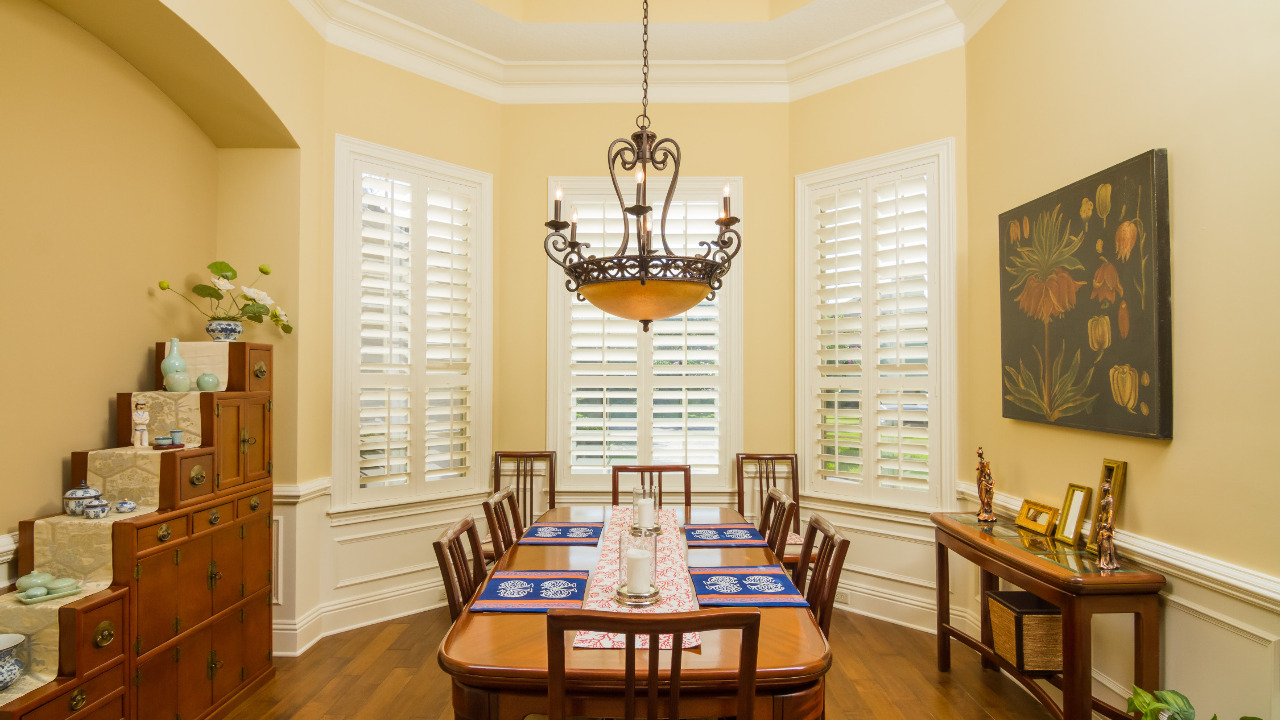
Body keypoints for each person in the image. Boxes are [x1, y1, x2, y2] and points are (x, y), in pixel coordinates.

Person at [1096, 472, 1119, 570]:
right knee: (1100, 543)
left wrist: (1108, 523)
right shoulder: (1105, 499)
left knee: (1105, 545)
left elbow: (1110, 512)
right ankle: (1101, 561)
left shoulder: (1109, 500)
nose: (1102, 490)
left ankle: (1106, 562)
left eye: (1103, 488)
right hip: (1102, 521)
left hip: (1106, 524)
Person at [976, 447, 997, 522]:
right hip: (986, 492)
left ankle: (987, 514)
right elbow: (977, 468)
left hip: (989, 494)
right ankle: (984, 512)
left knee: (987, 503)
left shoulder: (990, 480)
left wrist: (988, 486)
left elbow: (991, 485)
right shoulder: (983, 480)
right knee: (983, 500)